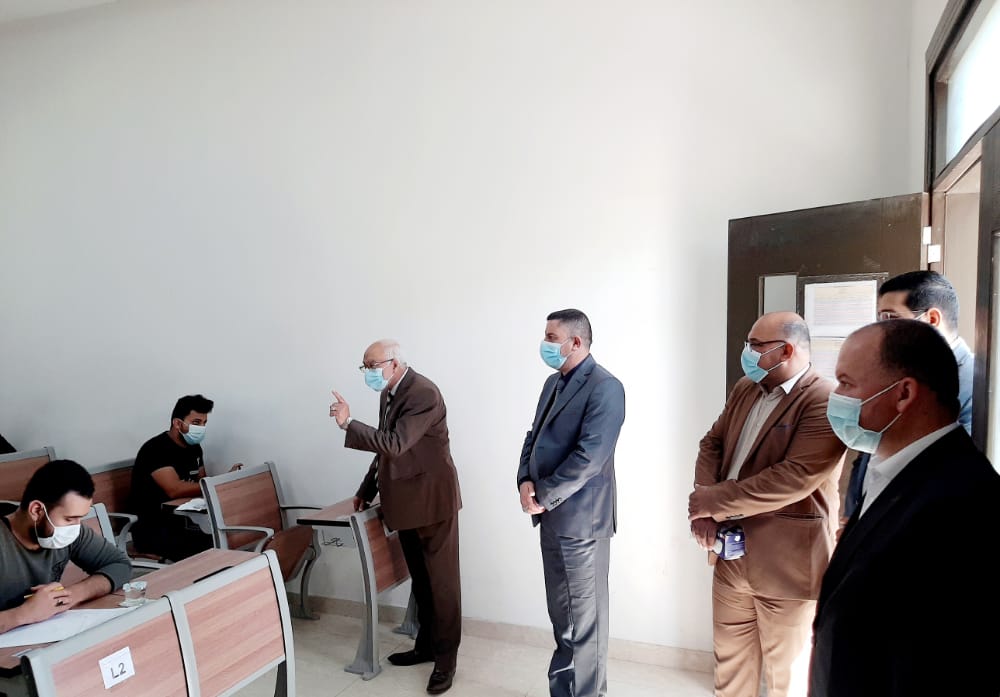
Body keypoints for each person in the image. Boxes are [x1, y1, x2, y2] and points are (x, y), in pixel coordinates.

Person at [809, 320, 1000, 697]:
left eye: (846, 383)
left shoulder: (963, 502)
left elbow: (940, 664)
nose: (836, 395)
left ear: (903, 394)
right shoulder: (892, 468)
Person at [688, 311, 845, 697]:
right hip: (731, 556)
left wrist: (712, 502)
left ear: (786, 351)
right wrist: (705, 506)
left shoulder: (823, 398)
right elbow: (712, 442)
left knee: (786, 680)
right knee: (729, 671)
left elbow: (793, 477)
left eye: (756, 346)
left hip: (787, 566)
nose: (748, 353)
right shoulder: (746, 387)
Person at [330, 340, 462, 695]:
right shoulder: (388, 392)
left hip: (433, 503)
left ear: (394, 362)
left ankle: (446, 662)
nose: (368, 372)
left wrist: (348, 424)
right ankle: (426, 646)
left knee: (443, 585)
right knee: (422, 582)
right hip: (405, 504)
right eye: (365, 366)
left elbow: (394, 443)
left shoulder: (422, 393)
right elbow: (385, 454)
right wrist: (366, 489)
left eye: (372, 365)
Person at [517, 309, 626, 697]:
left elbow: (589, 458)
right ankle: (562, 691)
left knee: (586, 623)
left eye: (551, 337)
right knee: (562, 618)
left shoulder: (606, 387)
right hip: (550, 520)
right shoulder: (553, 383)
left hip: (583, 524)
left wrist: (543, 496)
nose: (544, 344)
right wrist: (524, 481)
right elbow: (533, 436)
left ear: (575, 342)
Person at [842, 270, 973, 521]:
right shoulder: (897, 374)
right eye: (879, 320)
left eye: (891, 319)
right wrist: (855, 515)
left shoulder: (973, 385)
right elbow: (869, 455)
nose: (883, 331)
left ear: (932, 319)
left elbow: (954, 475)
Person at [1, 459, 132, 633]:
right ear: (37, 511)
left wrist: (71, 595)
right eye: (69, 519)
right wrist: (22, 614)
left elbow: (120, 565)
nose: (76, 527)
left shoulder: (71, 531)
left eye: (80, 518)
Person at [129, 394, 218, 562]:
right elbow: (174, 489)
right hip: (153, 527)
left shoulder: (195, 448)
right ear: (177, 423)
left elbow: (201, 481)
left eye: (204, 423)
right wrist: (215, 484)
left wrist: (223, 483)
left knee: (225, 537)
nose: (201, 428)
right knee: (213, 547)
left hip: (183, 520)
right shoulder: (155, 449)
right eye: (196, 422)